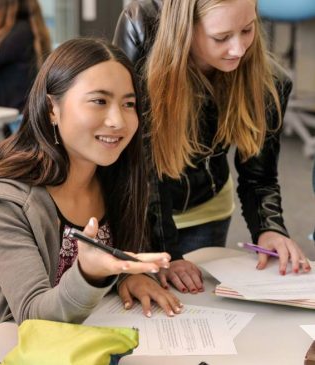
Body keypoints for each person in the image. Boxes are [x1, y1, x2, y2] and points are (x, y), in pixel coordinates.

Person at [0, 38, 182, 332]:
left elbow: (127, 253)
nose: (118, 120)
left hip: (96, 336)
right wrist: (88, 273)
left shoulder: (115, 177)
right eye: (99, 101)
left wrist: (130, 276)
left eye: (129, 104)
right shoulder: (2, 200)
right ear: (52, 108)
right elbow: (32, 317)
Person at [113, 0, 311, 293]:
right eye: (221, 38)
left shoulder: (270, 81)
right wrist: (167, 252)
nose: (239, 50)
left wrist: (269, 228)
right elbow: (138, 165)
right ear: (185, 30)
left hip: (208, 207)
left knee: (197, 310)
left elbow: (260, 176)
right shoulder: (140, 28)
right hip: (139, 207)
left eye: (247, 29)